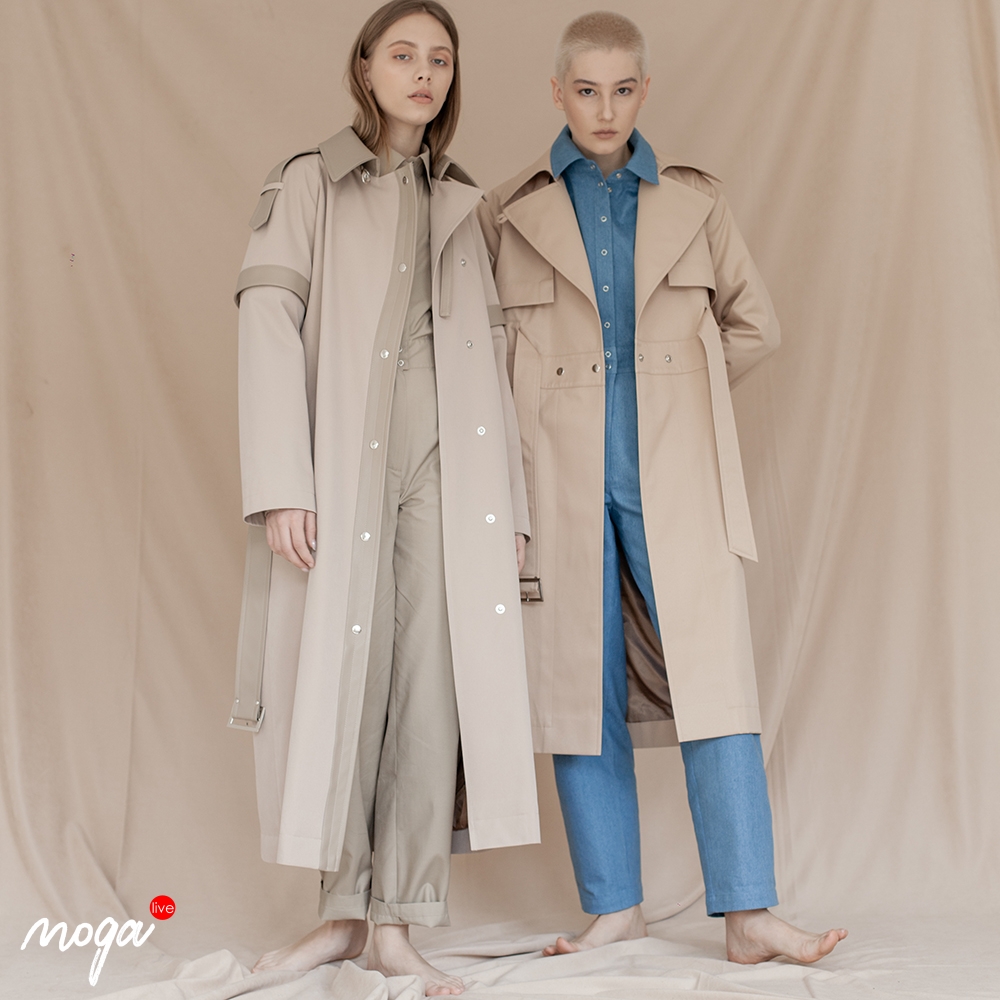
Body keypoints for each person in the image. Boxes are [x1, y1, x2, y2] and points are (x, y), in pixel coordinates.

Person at [478, 11, 847, 965]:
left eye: (622, 89)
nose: (605, 109)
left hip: (677, 477)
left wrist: (685, 389)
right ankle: (616, 909)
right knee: (577, 690)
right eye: (586, 90)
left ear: (644, 91)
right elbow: (478, 354)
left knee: (716, 684)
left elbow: (754, 326)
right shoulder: (507, 211)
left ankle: (749, 914)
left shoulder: (696, 203)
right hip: (553, 481)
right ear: (558, 93)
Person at [232, 2, 538, 993]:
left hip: (447, 475)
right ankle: (338, 919)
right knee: (345, 686)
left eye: (439, 58)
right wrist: (282, 483)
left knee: (429, 692)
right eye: (403, 54)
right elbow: (266, 323)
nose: (423, 73)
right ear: (364, 67)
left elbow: (494, 366)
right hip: (343, 468)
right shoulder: (310, 182)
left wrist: (513, 510)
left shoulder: (463, 202)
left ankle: (398, 924)